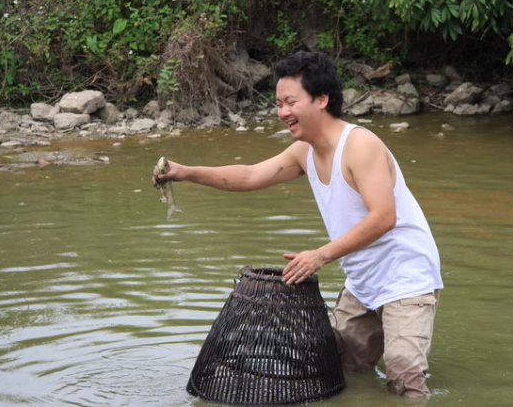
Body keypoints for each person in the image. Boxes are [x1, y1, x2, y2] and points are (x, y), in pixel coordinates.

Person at [153, 51, 444, 397]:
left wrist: (319, 256)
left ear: (322, 99)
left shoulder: (360, 146)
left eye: (290, 102)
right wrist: (185, 172)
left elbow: (384, 216)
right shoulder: (303, 152)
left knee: (404, 378)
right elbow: (248, 176)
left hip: (406, 275)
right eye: (278, 104)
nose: (282, 113)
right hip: (363, 279)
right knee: (338, 365)